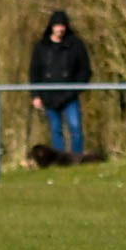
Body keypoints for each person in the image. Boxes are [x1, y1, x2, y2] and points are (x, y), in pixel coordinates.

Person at [29, 10, 92, 156]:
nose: (60, 29)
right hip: (48, 96)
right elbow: (34, 72)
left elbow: (85, 70)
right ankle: (60, 159)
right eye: (57, 25)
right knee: (55, 129)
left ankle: (77, 158)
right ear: (52, 26)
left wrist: (76, 88)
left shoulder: (76, 45)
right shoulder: (41, 47)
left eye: (62, 25)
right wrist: (35, 95)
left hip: (70, 96)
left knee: (75, 128)